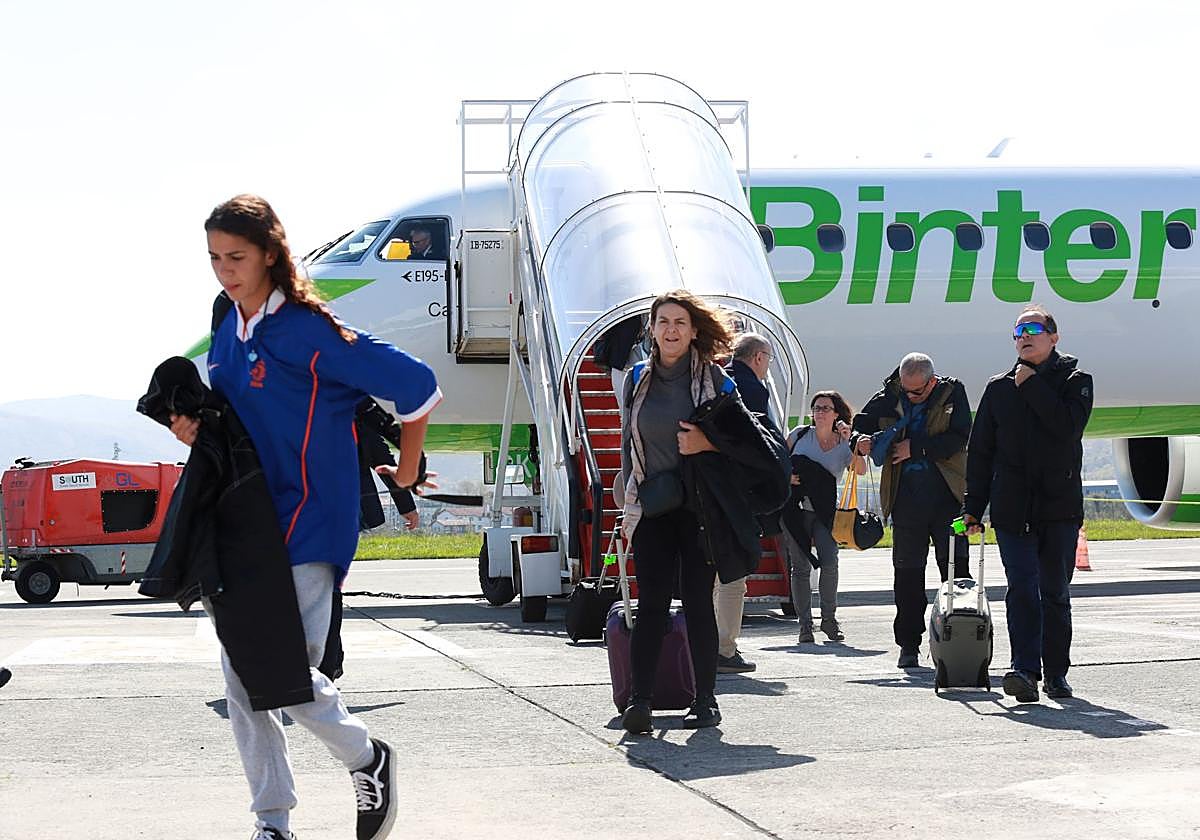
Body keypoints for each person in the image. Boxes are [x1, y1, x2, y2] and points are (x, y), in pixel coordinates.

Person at [171, 194, 441, 840]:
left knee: (281, 674)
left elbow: (415, 383)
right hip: (243, 520)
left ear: (270, 254)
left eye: (237, 257)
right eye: (214, 258)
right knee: (243, 677)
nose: (225, 271)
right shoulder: (228, 328)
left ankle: (366, 757)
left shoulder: (308, 329)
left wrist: (407, 470)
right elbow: (237, 418)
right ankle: (273, 821)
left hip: (308, 522)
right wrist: (193, 427)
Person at [618, 290, 788, 734]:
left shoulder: (716, 381)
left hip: (700, 510)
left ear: (694, 331)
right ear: (652, 330)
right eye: (663, 322)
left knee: (697, 603)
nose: (671, 330)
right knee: (651, 603)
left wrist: (707, 443)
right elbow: (628, 447)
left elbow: (748, 441)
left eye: (680, 322)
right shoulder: (635, 379)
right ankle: (640, 701)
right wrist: (628, 509)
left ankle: (705, 701)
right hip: (654, 507)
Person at [963, 305, 1093, 703]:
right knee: (1021, 589)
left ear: (1054, 337)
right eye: (1018, 332)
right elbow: (980, 452)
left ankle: (1056, 673)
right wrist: (973, 506)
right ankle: (1024, 670)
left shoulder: (1076, 382)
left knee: (1054, 592)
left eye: (1033, 329)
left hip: (1059, 509)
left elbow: (1066, 428)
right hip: (1011, 509)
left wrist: (1033, 385)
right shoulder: (998, 388)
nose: (1024, 337)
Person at [853, 352, 971, 669]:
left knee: (957, 570)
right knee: (907, 575)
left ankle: (961, 640)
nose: (910, 395)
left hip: (950, 501)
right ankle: (908, 644)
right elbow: (860, 423)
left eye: (916, 391)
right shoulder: (891, 394)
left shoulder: (953, 392)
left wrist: (916, 448)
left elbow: (960, 437)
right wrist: (859, 441)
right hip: (905, 502)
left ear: (932, 382)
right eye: (906, 389)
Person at [781, 391, 866, 644]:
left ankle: (829, 619)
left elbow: (860, 470)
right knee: (800, 568)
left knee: (830, 563)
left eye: (825, 408)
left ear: (836, 414)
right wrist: (786, 477)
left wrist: (850, 441)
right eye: (816, 408)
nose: (819, 412)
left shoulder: (843, 444)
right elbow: (777, 462)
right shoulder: (799, 435)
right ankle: (805, 625)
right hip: (796, 510)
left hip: (826, 513)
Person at [713, 332, 775, 673]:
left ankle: (706, 644)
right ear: (758, 357)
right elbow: (754, 446)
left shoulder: (717, 380)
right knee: (733, 577)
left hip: (707, 490)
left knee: (710, 576)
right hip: (734, 495)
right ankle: (724, 650)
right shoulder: (751, 390)